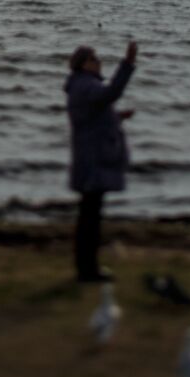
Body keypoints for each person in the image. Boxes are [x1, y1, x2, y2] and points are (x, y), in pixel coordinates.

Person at [65, 41, 137, 282]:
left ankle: (86, 268)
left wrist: (116, 117)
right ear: (84, 64)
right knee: (90, 218)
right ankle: (88, 271)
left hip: (89, 158)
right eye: (94, 59)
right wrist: (127, 63)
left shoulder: (81, 86)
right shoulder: (86, 85)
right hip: (94, 160)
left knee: (89, 214)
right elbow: (111, 93)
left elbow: (93, 116)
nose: (99, 62)